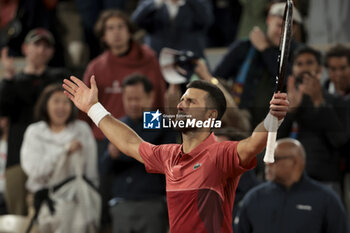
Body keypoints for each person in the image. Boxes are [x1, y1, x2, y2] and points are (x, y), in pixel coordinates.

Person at [62, 73, 289, 232]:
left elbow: (253, 143)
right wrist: (94, 108)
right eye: (181, 100)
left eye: (190, 102)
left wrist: (272, 118)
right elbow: (130, 143)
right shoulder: (168, 155)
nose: (180, 106)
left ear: (210, 115)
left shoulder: (221, 154)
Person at [0, 28, 68, 215]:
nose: (41, 50)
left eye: (46, 46)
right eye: (36, 44)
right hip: (17, 156)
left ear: (52, 52)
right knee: (17, 215)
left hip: (52, 154)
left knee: (52, 214)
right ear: (25, 48)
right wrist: (9, 77)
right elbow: (3, 109)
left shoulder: (58, 77)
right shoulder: (13, 81)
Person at [100, 74, 177, 233]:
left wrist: (123, 150)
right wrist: (111, 155)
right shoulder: (117, 124)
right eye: (129, 99)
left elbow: (154, 151)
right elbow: (103, 167)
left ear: (150, 97)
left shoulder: (160, 120)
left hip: (152, 202)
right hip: (121, 202)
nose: (133, 104)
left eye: (138, 98)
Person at [83, 9, 166, 156]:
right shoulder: (96, 67)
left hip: (142, 138)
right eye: (110, 28)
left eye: (121, 27)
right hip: (105, 139)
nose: (116, 32)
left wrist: (152, 135)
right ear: (103, 36)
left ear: (129, 32)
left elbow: (158, 103)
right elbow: (85, 110)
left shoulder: (149, 59)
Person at [20, 84, 98, 231]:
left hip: (77, 200)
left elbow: (91, 170)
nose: (61, 107)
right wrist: (64, 151)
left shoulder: (82, 130)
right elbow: (35, 170)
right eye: (56, 101)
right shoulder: (34, 132)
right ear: (45, 104)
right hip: (43, 200)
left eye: (65, 102)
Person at [213, 2, 302, 128]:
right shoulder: (244, 47)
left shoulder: (298, 53)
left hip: (278, 127)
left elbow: (291, 80)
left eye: (289, 28)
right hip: (240, 124)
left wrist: (265, 49)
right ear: (268, 20)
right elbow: (217, 77)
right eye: (278, 25)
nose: (282, 32)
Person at [234, 138, 349, 233]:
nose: (267, 163)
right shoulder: (254, 197)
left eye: (274, 158)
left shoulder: (326, 199)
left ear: (296, 162)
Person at [278, 46, 347, 195]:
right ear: (293, 69)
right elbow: (274, 142)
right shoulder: (283, 102)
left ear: (320, 69)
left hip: (326, 181)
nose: (304, 68)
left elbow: (340, 141)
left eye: (309, 63)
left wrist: (319, 103)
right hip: (289, 180)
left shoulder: (338, 102)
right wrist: (291, 112)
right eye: (299, 64)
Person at [131, 0, 214, 58]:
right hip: (157, 59)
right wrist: (157, 2)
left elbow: (207, 20)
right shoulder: (150, 2)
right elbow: (135, 22)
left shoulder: (199, 2)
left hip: (189, 61)